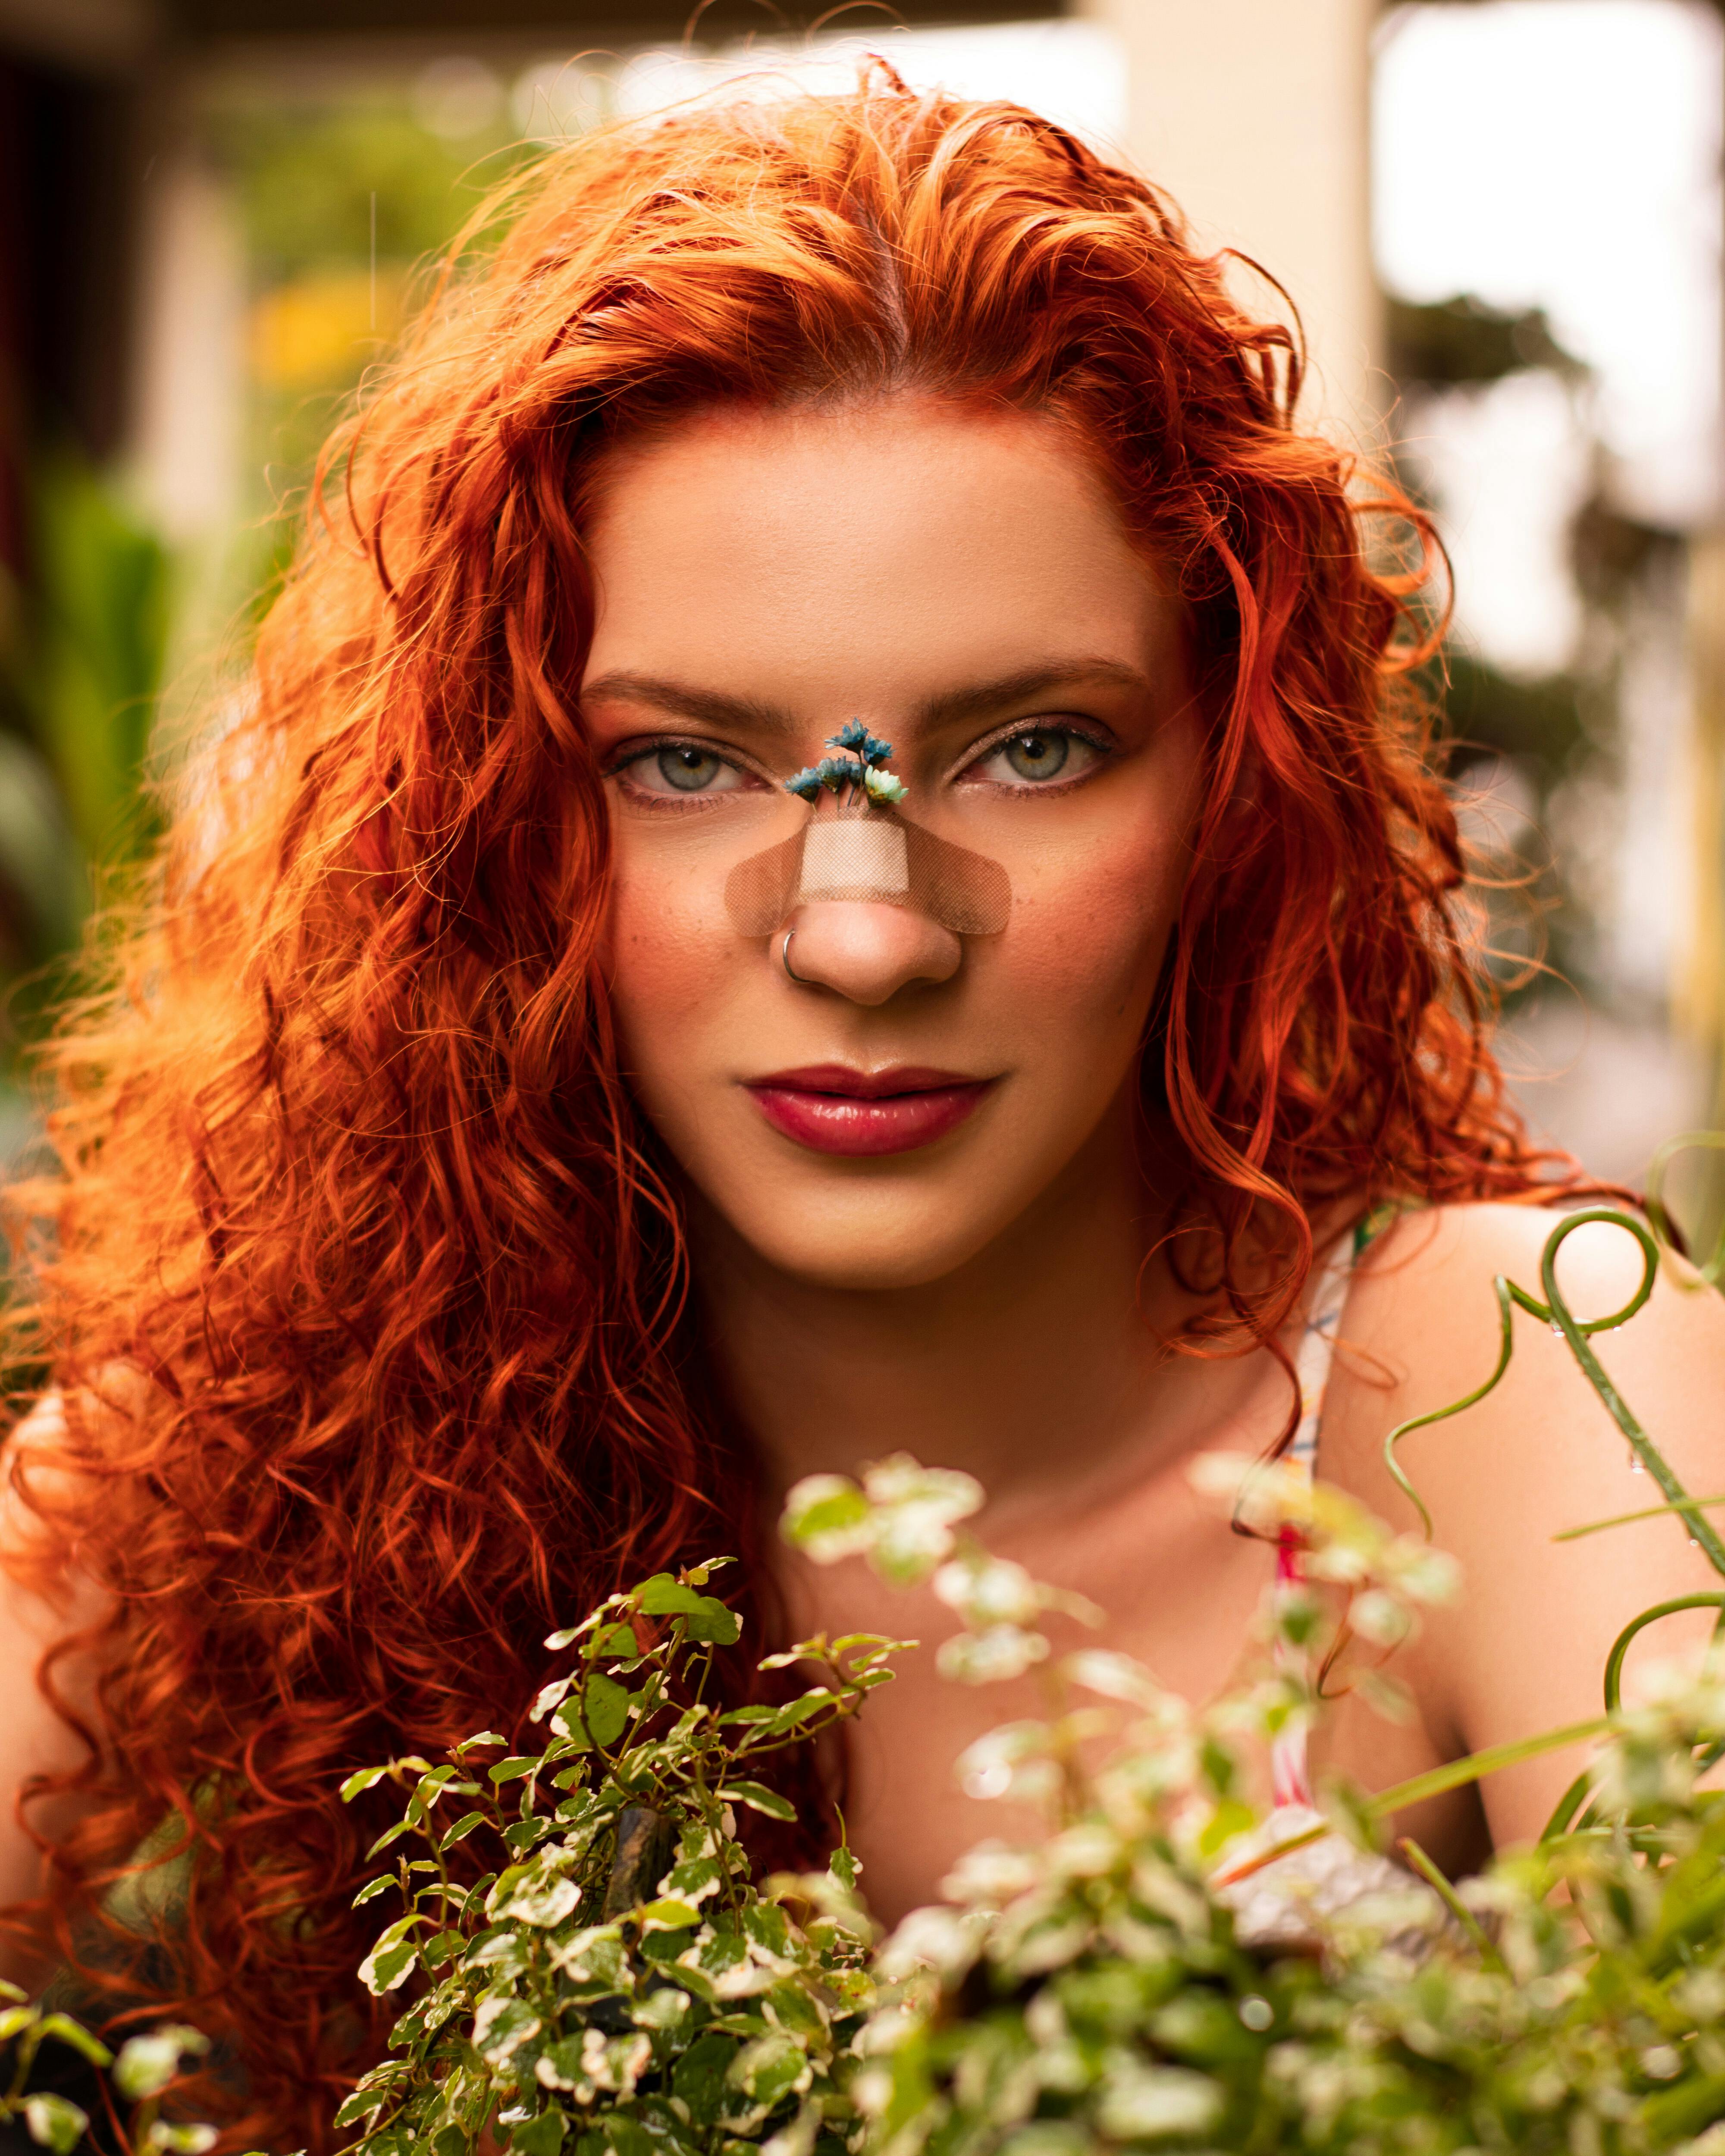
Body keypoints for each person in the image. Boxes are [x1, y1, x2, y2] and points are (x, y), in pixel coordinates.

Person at [2, 66, 1722, 2151]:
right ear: (483, 831)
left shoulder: (1506, 1377)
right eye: (684, 763)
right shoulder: (276, 1440)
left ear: (1231, 793)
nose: (866, 937)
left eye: (1030, 745)